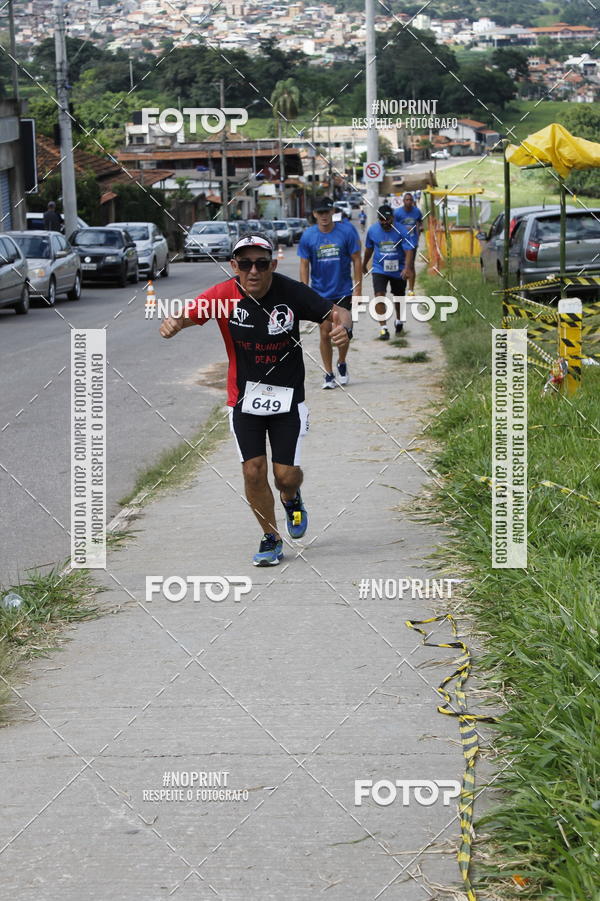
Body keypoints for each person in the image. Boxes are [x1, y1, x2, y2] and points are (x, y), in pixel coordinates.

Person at [159, 234, 353, 567]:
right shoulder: (223, 296)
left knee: (285, 477)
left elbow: (337, 313)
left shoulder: (290, 292)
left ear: (272, 266)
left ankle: (291, 498)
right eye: (245, 264)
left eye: (261, 263)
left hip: (288, 400)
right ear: (234, 266)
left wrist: (344, 329)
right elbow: (189, 314)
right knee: (253, 470)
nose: (253, 271)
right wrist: (176, 323)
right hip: (243, 400)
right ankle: (271, 537)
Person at [298, 197, 361, 389]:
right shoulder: (308, 236)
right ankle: (328, 373)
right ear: (315, 214)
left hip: (343, 290)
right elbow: (304, 264)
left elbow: (357, 260)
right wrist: (304, 292)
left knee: (342, 331)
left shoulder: (347, 231)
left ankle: (341, 362)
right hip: (320, 293)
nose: (324, 216)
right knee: (324, 333)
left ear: (332, 211)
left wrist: (358, 289)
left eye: (327, 212)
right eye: (320, 212)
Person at [363, 204, 416, 341]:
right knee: (379, 295)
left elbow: (409, 250)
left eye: (388, 219)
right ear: (378, 219)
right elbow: (369, 249)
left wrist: (407, 268)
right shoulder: (373, 230)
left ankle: (398, 320)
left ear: (393, 218)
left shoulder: (401, 230)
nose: (385, 222)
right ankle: (383, 329)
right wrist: (364, 264)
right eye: (382, 219)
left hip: (398, 269)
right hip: (379, 268)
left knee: (399, 297)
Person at [393, 193, 423, 294]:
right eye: (407, 200)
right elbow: (393, 226)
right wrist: (402, 229)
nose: (409, 202)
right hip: (400, 242)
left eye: (410, 200)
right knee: (401, 265)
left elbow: (420, 222)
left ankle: (411, 289)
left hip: (412, 242)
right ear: (403, 201)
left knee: (410, 264)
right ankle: (400, 287)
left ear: (413, 201)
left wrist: (419, 231)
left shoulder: (417, 211)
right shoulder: (397, 213)